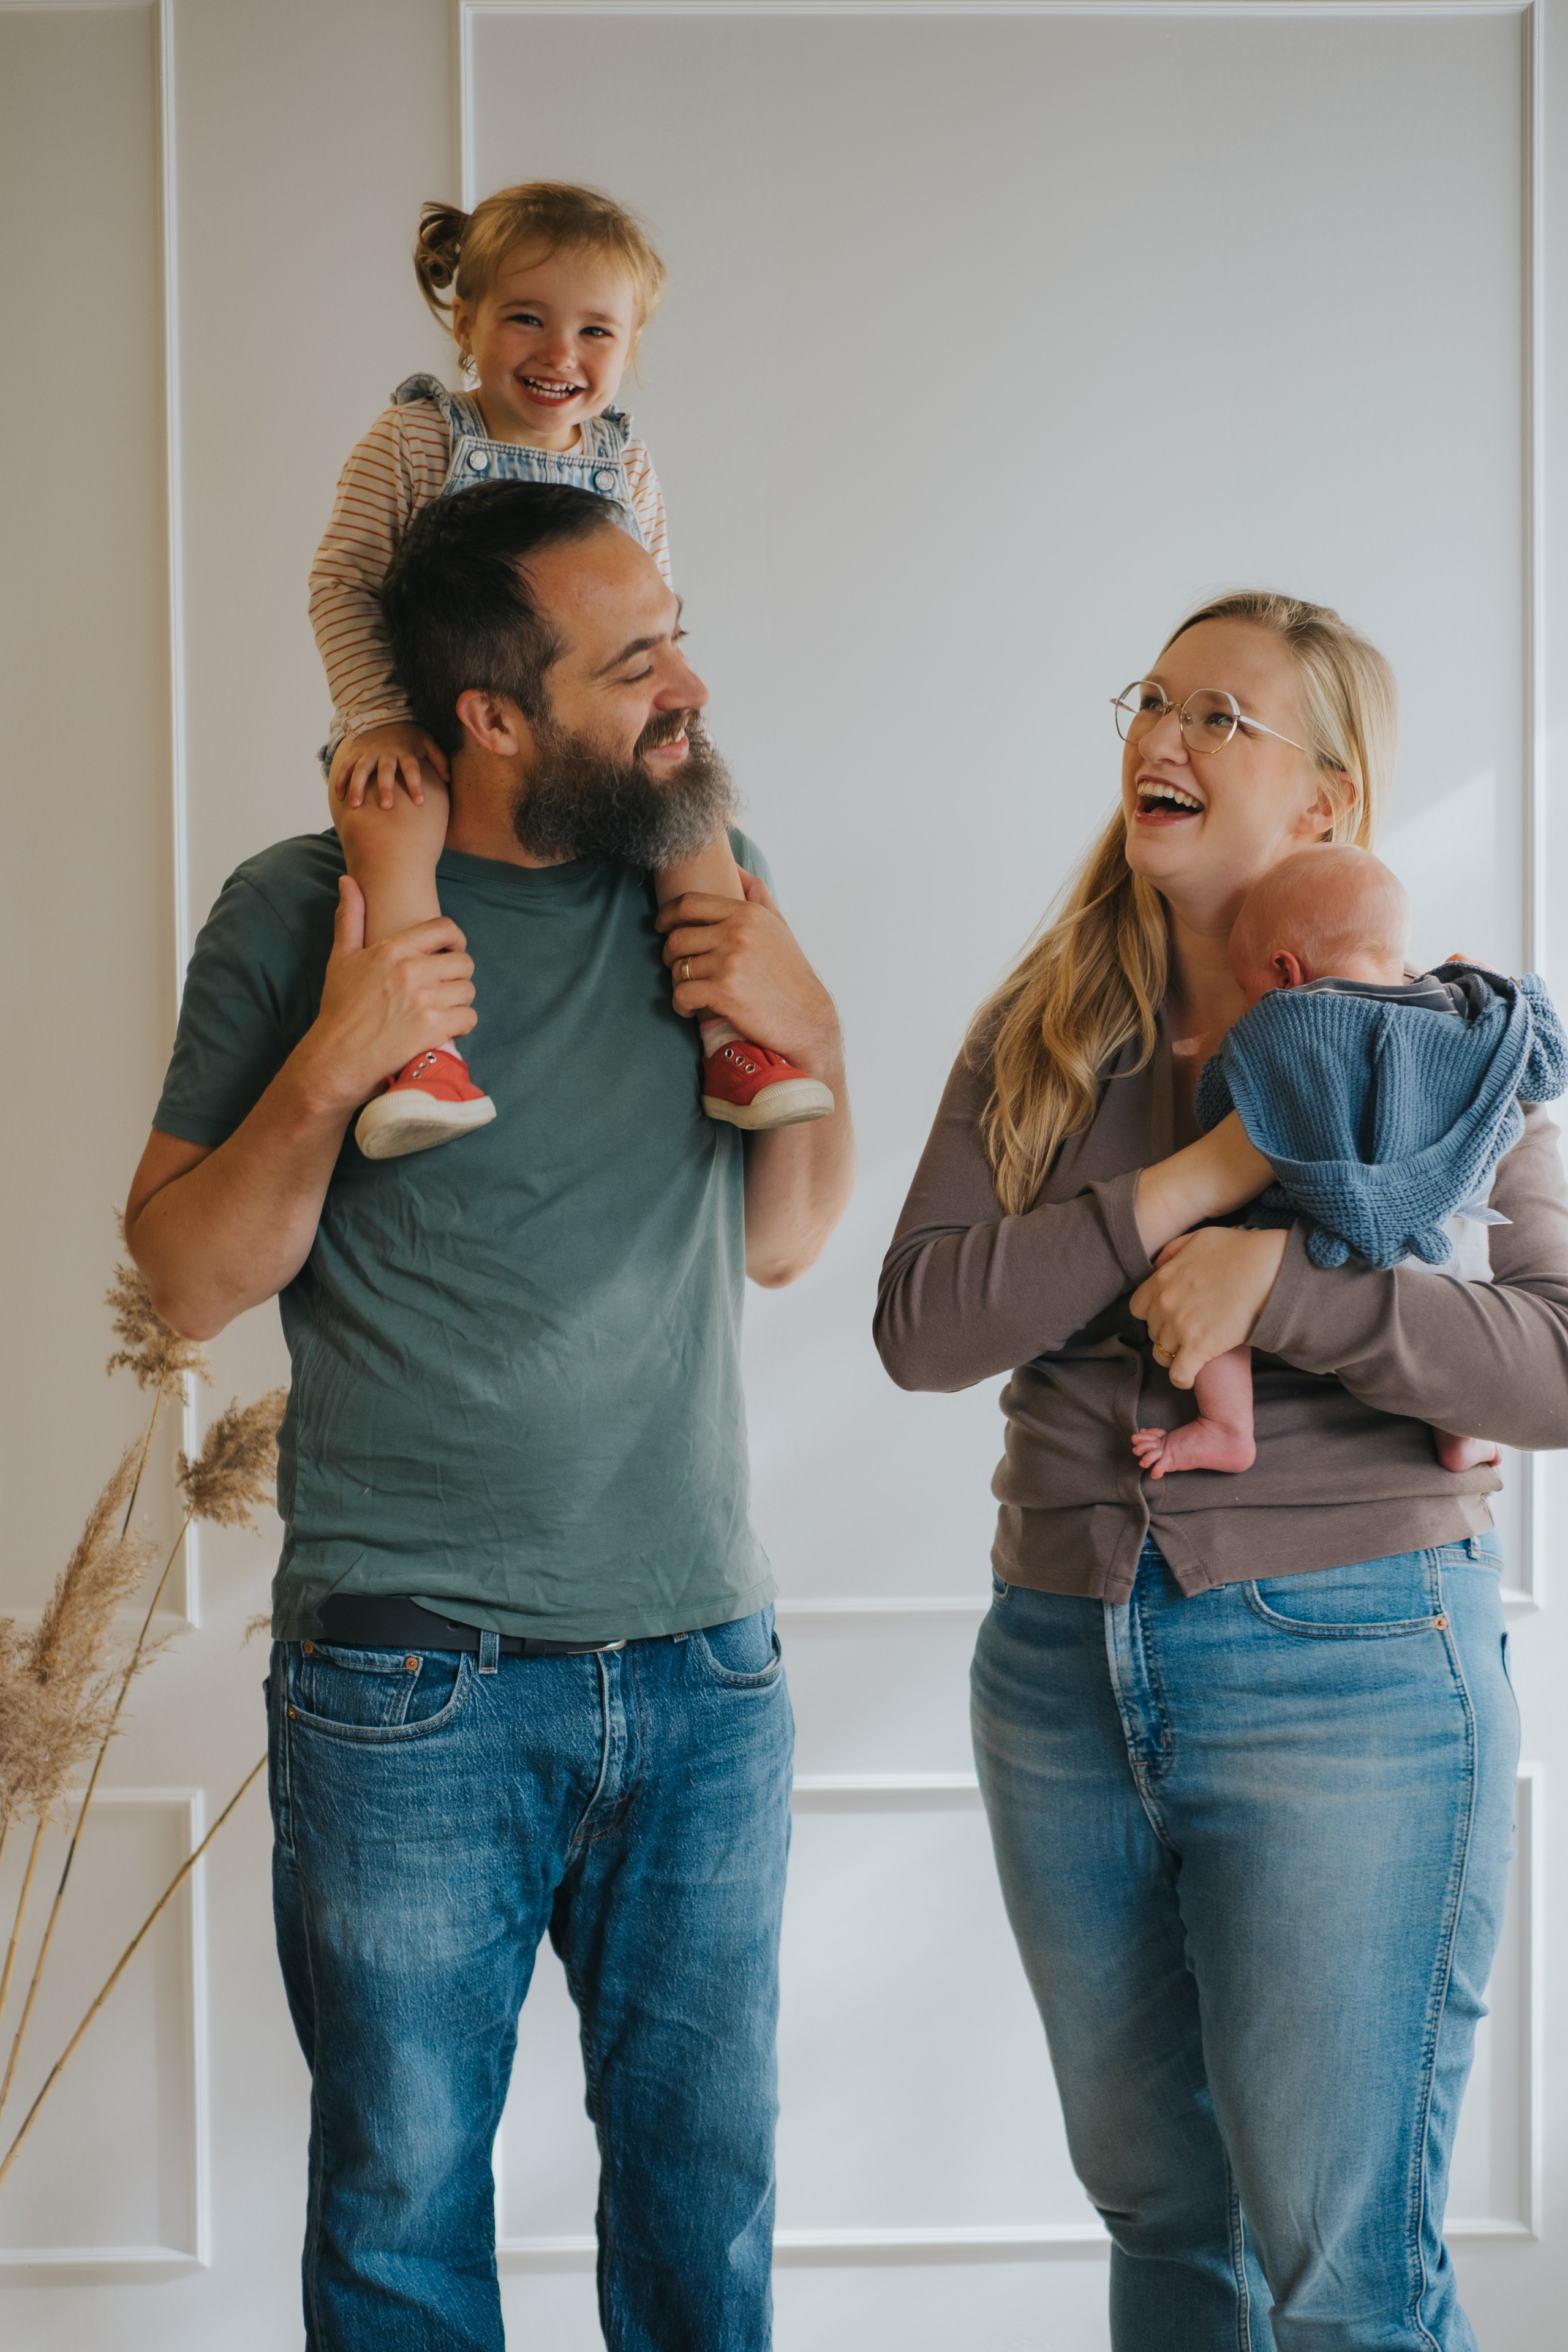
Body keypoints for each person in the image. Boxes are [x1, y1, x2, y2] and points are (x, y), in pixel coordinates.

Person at [125, 479, 855, 2352]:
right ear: (493, 719)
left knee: (708, 2213)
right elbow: (188, 1277)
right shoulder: (306, 909)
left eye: (673, 628)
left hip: (703, 1665)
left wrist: (814, 1027)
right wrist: (338, 1058)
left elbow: (783, 1237)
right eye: (633, 663)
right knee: (399, 2214)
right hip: (411, 1684)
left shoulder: (704, 875)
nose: (686, 683)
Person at [874, 590, 1567, 2351]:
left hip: (1354, 1670)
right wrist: (1183, 1193)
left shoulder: (1450, 1047)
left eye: (1221, 716)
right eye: (1152, 699)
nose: (1160, 738)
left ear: (1328, 802)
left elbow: (1561, 1354)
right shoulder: (1038, 1031)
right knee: (1168, 2224)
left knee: (1344, 2276)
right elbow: (924, 1326)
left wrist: (1296, 1289)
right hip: (1057, 1670)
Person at [311, 178, 832, 1156]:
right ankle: (418, 1053)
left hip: (583, 731)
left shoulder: (623, 465)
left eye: (598, 332)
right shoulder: (418, 437)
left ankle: (733, 1036)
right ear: (463, 321)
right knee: (391, 825)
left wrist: (657, 704)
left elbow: (652, 608)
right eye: (526, 319)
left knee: (692, 814)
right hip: (429, 725)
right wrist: (375, 715)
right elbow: (343, 583)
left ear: (631, 346)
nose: (561, 354)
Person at [1129, 842, 1567, 1479]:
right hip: (1446, 1248)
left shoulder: (1285, 1026)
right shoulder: (1466, 1013)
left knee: (1201, 1271)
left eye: (1251, 991)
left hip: (1316, 1239)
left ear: (1284, 971)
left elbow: (1220, 1101)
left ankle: (1228, 1427)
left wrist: (1225, 1055)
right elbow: (1546, 1067)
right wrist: (1509, 995)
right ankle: (1460, 1434)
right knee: (1457, 1336)